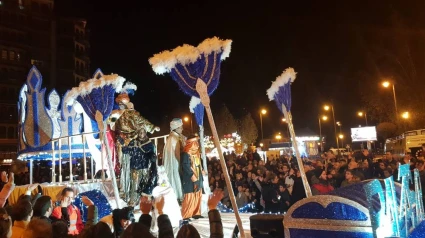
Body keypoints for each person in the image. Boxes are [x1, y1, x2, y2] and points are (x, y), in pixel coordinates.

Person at [114, 93, 160, 206]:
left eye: (123, 104)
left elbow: (142, 121)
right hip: (122, 141)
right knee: (124, 166)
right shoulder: (115, 114)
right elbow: (109, 122)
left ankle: (136, 195)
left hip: (133, 141)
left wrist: (153, 127)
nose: (121, 106)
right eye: (119, 104)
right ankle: (124, 191)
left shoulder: (133, 114)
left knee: (134, 170)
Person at [180, 135, 204, 220]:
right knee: (189, 196)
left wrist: (202, 170)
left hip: (198, 176)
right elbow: (185, 166)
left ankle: (196, 213)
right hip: (190, 179)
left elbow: (199, 164)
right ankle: (187, 214)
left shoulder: (197, 153)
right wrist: (192, 176)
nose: (197, 144)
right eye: (195, 142)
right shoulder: (186, 154)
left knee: (198, 194)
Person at [162, 118, 186, 203]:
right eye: (181, 127)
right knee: (176, 178)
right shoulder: (174, 138)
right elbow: (177, 154)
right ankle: (178, 196)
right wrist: (182, 164)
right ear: (176, 128)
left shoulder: (171, 137)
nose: (182, 129)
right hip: (175, 164)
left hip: (172, 164)